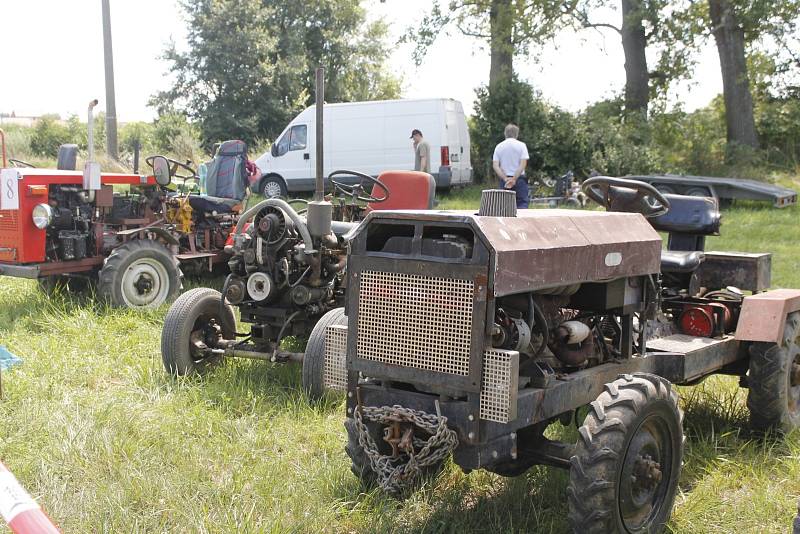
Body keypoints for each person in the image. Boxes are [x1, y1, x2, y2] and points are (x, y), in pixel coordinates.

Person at [492, 124, 530, 208]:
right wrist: (514, 179)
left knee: (504, 207)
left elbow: (495, 165)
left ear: (505, 133)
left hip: (505, 181)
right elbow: (523, 164)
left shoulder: (499, 146)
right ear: (516, 134)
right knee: (522, 203)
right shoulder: (522, 146)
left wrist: (505, 178)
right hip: (519, 180)